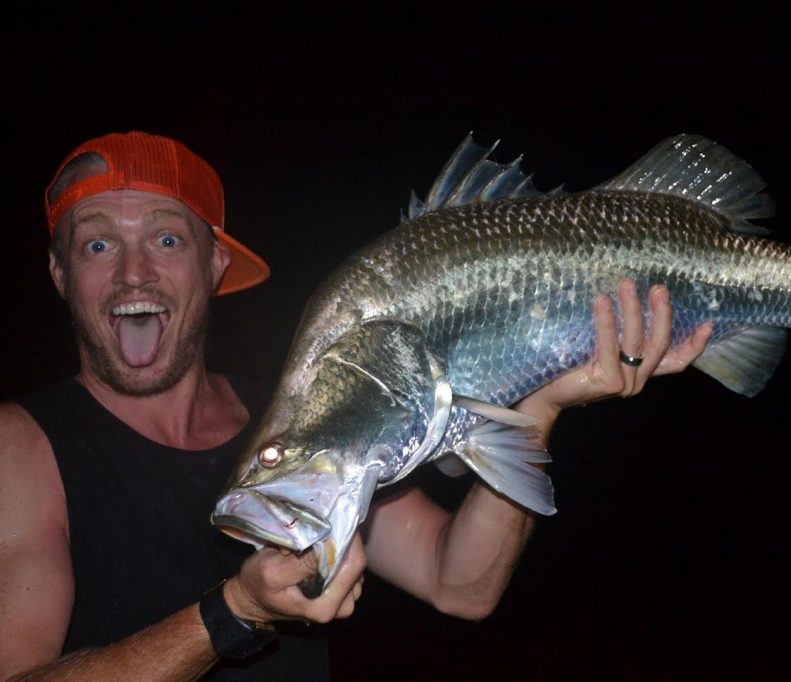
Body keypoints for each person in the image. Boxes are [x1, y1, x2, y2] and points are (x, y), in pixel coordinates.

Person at [0, 131, 712, 680]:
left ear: (213, 265)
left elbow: (460, 583)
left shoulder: (314, 417)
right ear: (61, 274)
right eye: (97, 244)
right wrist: (235, 612)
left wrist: (542, 403)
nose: (133, 273)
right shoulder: (22, 446)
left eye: (164, 238)